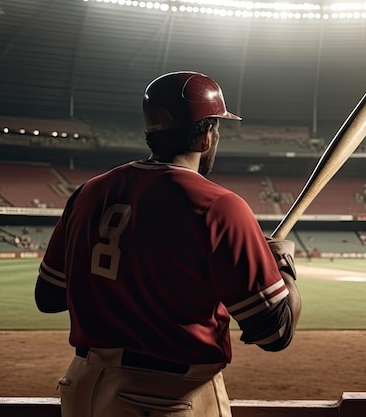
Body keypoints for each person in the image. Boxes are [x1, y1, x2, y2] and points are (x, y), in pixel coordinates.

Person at [34, 71, 302, 417]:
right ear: (206, 136)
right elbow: (275, 333)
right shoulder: (219, 205)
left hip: (81, 389)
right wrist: (283, 267)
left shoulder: (90, 191)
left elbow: (49, 297)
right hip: (163, 400)